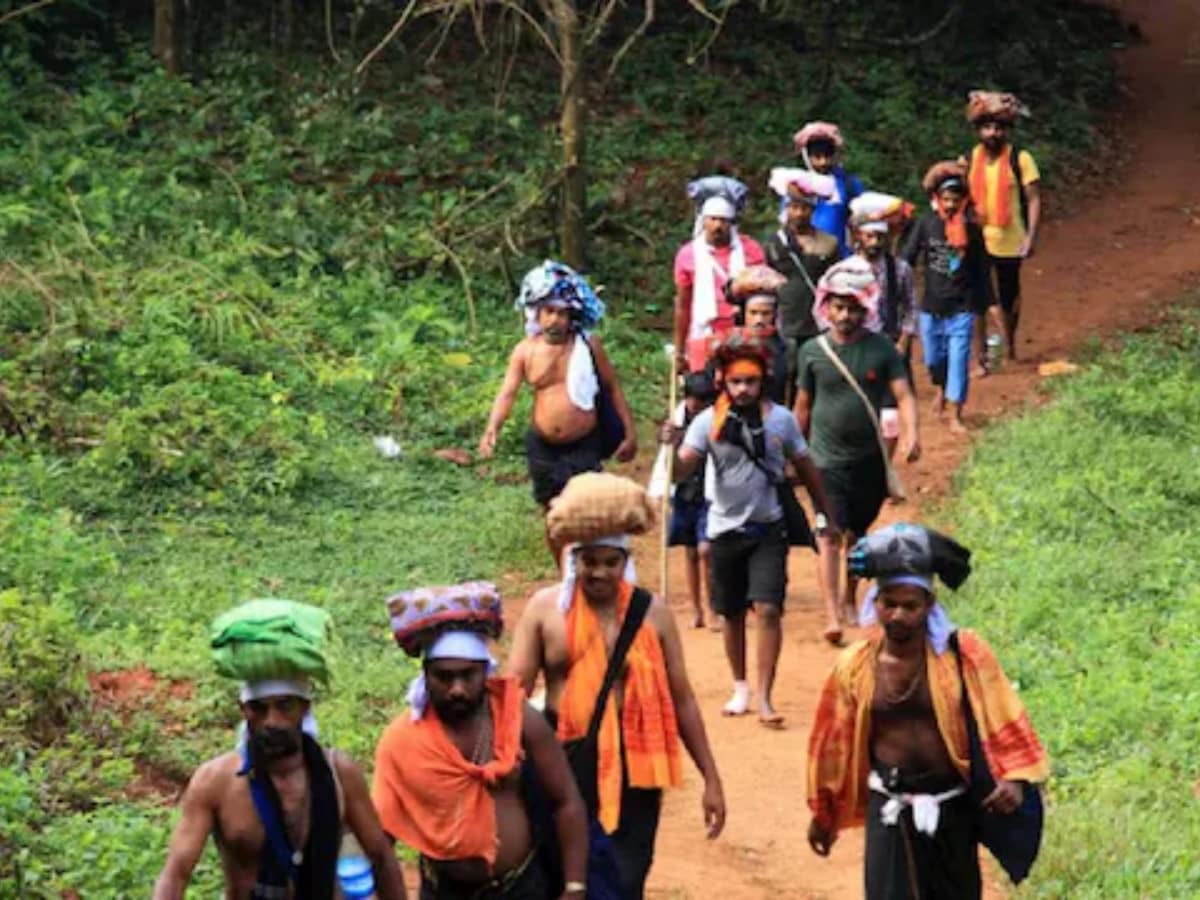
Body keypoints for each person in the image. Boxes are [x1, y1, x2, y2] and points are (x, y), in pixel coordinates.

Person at [507, 472, 726, 899]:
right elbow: (510, 699)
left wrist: (711, 778)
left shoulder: (653, 615)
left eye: (611, 562)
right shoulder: (544, 611)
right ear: (575, 561)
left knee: (625, 877)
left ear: (626, 563)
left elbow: (682, 699)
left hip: (634, 767)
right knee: (559, 874)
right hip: (560, 759)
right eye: (590, 561)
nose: (600, 572)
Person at [807, 523, 1050, 899]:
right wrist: (824, 814)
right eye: (889, 603)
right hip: (890, 809)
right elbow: (832, 745)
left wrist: (1015, 780)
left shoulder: (964, 657)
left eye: (910, 606)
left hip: (953, 810)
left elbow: (1006, 718)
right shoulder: (854, 668)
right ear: (875, 602)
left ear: (930, 605)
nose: (899, 615)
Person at [154, 599, 407, 900]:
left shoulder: (339, 774)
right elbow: (176, 872)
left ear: (304, 707)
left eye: (284, 706)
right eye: (258, 709)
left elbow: (380, 857)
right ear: (243, 710)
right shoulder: (216, 781)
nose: (271, 721)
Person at [660, 335, 839, 720]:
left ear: (763, 381)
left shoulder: (782, 420)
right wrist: (671, 448)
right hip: (723, 529)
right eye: (736, 381)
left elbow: (807, 469)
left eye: (751, 381)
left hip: (768, 528)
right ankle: (740, 686)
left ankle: (765, 695)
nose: (743, 389)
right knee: (732, 613)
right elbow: (682, 470)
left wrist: (826, 515)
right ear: (723, 381)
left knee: (770, 609)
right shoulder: (707, 422)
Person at [373, 582, 589, 899]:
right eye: (444, 677)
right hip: (443, 891)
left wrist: (574, 886)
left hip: (520, 887)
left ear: (485, 673)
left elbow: (566, 800)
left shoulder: (519, 720)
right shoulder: (403, 738)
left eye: (468, 675)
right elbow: (381, 835)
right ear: (426, 675)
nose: (457, 689)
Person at [794, 257, 920, 634]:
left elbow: (905, 395)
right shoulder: (811, 352)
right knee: (829, 534)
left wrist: (912, 433)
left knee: (856, 535)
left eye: (852, 308)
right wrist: (790, 452)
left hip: (868, 460)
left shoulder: (883, 350)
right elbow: (802, 406)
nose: (845, 315)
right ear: (826, 308)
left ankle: (850, 596)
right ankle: (832, 613)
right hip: (824, 460)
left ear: (864, 310)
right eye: (838, 306)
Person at [479, 260, 637, 528]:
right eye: (549, 311)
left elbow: (611, 387)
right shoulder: (525, 351)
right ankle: (564, 568)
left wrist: (629, 432)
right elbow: (508, 393)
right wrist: (492, 428)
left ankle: (580, 564)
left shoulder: (588, 346)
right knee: (551, 513)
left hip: (584, 442)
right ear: (537, 315)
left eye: (562, 313)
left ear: (571, 317)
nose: (555, 319)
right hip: (543, 444)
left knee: (584, 510)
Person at [902, 162, 993, 434]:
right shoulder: (926, 225)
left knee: (958, 359)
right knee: (933, 360)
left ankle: (955, 411)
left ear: (963, 200)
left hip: (962, 307)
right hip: (931, 306)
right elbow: (906, 258)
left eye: (956, 199)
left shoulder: (973, 232)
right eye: (946, 199)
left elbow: (982, 271)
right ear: (937, 199)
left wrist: (989, 305)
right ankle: (942, 390)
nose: (951, 205)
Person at [964, 90, 1042, 367]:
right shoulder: (970, 158)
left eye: (998, 127)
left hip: (1010, 239)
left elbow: (1033, 199)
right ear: (978, 130)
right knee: (978, 298)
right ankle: (980, 356)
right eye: (987, 127)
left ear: (1006, 130)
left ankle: (1009, 346)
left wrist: (1031, 237)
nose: (992, 133)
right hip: (977, 238)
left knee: (1009, 296)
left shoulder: (1020, 159)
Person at [672, 176, 765, 373]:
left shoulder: (751, 250)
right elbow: (683, 304)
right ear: (703, 221)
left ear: (732, 223)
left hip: (742, 336)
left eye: (723, 220)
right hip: (703, 335)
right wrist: (680, 352)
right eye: (712, 219)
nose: (717, 226)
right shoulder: (688, 255)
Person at [849, 203, 918, 460]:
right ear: (859, 236)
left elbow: (911, 307)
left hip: (890, 346)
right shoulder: (847, 270)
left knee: (890, 413)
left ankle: (885, 466)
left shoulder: (900, 269)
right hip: (857, 347)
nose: (875, 242)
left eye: (879, 236)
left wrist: (904, 340)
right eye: (869, 236)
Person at [765, 167, 840, 403]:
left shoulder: (829, 244)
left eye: (804, 207)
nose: (798, 213)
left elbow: (835, 283)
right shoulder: (774, 243)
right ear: (786, 209)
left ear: (813, 209)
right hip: (782, 322)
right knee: (778, 377)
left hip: (815, 323)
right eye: (793, 207)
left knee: (809, 382)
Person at [651, 371, 718, 629]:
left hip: (709, 493)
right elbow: (664, 455)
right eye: (691, 398)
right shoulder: (676, 420)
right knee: (691, 552)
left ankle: (712, 608)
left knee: (706, 550)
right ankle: (696, 609)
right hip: (684, 493)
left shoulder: (715, 420)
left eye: (701, 399)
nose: (695, 404)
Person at [792, 122, 865, 257]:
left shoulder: (848, 184)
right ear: (807, 157)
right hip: (805, 257)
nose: (823, 162)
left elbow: (862, 221)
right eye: (817, 157)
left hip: (839, 257)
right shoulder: (797, 185)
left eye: (828, 156)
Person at [727, 264, 790, 406]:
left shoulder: (786, 349)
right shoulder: (728, 347)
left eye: (765, 313)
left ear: (774, 315)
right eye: (753, 313)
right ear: (744, 314)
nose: (759, 320)